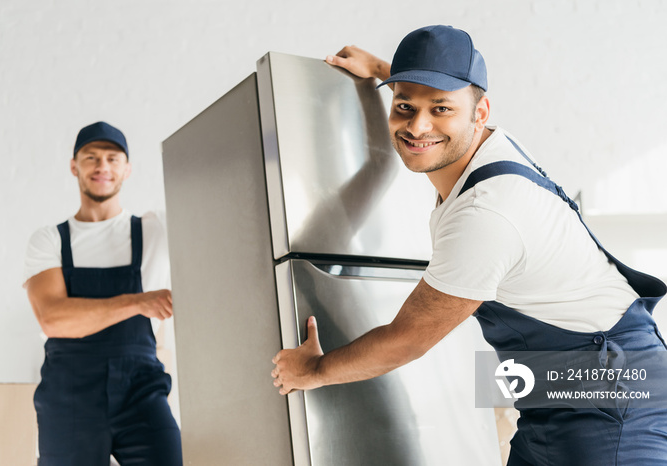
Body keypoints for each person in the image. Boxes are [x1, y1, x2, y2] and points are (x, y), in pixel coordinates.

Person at [271, 25, 667, 465]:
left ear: (480, 112)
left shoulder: (486, 214)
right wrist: (384, 71)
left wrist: (314, 371)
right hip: (560, 383)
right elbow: (433, 100)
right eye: (404, 105)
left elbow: (407, 340)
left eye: (441, 108)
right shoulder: (487, 143)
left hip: (612, 395)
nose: (418, 125)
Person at [24, 121, 182, 465]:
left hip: (141, 389)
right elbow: (53, 319)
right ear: (74, 166)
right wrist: (138, 301)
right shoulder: (50, 240)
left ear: (127, 169)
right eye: (91, 157)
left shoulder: (158, 231)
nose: (102, 167)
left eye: (112, 158)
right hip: (69, 398)